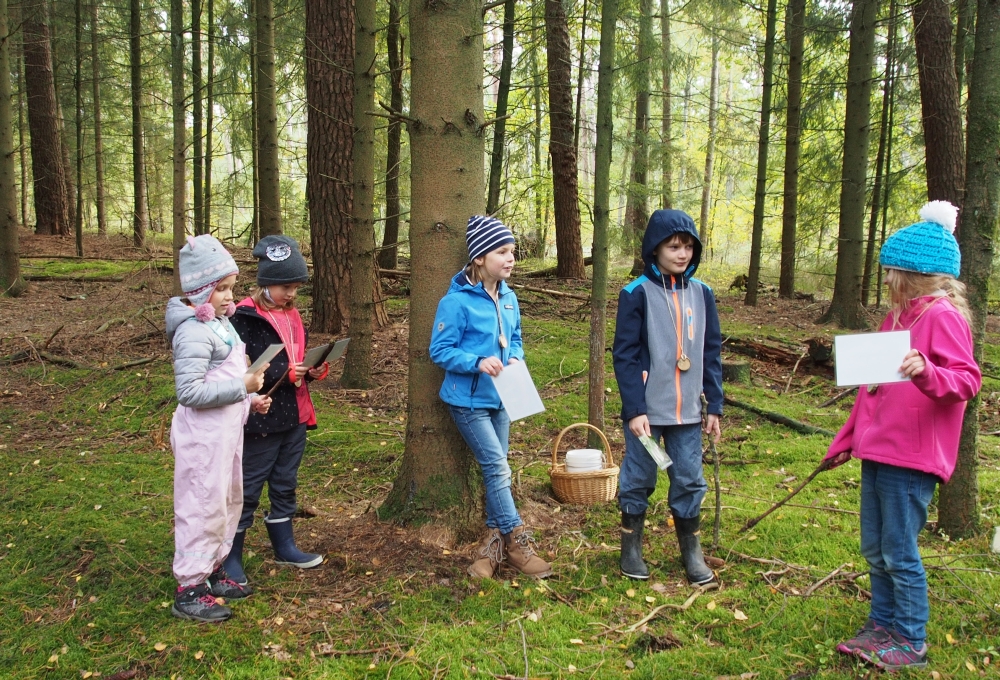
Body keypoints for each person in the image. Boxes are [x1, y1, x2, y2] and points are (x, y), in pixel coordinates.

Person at [827, 201, 981, 671]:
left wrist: (927, 372)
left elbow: (966, 381)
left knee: (899, 549)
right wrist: (848, 438)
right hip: (879, 450)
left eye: (893, 271)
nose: (887, 280)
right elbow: (870, 391)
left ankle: (909, 639)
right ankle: (881, 625)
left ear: (918, 274)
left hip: (912, 458)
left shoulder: (942, 317)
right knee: (875, 547)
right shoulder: (896, 319)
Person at [429, 215, 553, 580]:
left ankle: (490, 548)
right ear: (480, 257)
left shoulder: (510, 298)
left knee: (497, 470)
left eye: (512, 251)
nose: (511, 258)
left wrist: (516, 356)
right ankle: (517, 542)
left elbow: (514, 339)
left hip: (502, 399)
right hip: (467, 402)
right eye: (503, 251)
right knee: (498, 468)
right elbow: (440, 350)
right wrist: (476, 362)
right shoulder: (455, 302)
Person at [613, 209, 723, 585]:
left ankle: (691, 552)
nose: (682, 254)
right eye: (674, 246)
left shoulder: (703, 294)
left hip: (690, 413)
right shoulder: (635, 293)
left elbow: (710, 352)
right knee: (640, 475)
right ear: (655, 249)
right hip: (647, 413)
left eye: (689, 246)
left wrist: (715, 405)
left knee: (690, 478)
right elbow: (624, 355)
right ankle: (631, 547)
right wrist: (634, 409)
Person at [165, 234, 271, 622]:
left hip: (227, 436)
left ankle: (213, 570)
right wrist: (240, 386)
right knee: (200, 505)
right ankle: (189, 587)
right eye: (221, 289)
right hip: (202, 439)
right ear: (199, 292)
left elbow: (225, 380)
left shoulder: (222, 325)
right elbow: (191, 390)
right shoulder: (193, 330)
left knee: (227, 501)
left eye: (231, 287)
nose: (230, 296)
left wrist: (250, 399)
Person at [225, 235, 328, 586]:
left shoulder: (294, 314)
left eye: (296, 287)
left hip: (294, 415)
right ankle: (230, 555)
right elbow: (240, 369)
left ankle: (285, 546)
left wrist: (311, 370)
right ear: (265, 283)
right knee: (249, 485)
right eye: (285, 287)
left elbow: (298, 356)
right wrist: (284, 372)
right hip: (260, 416)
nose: (292, 294)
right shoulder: (242, 317)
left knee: (285, 483)